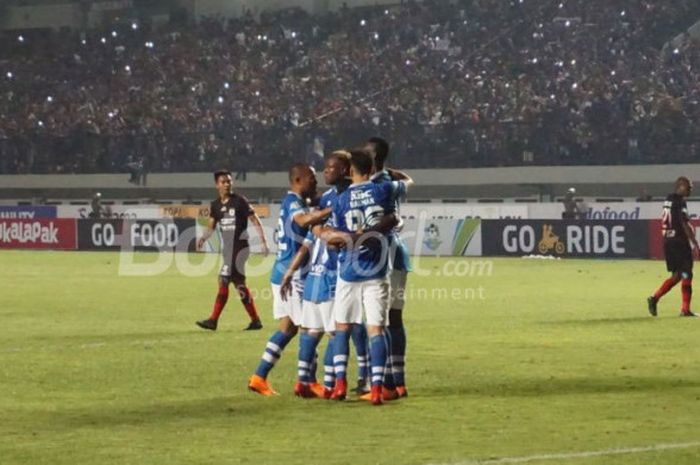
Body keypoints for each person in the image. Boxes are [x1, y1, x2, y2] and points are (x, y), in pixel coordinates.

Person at [317, 148, 413, 405]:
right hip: (376, 272)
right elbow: (406, 184)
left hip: (348, 272)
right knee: (376, 330)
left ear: (349, 171)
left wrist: (339, 239)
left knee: (342, 329)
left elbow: (335, 234)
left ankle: (339, 385)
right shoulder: (383, 190)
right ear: (371, 170)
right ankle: (378, 389)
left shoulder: (339, 199)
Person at [248, 163, 332, 396]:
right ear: (298, 180)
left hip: (282, 272)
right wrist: (330, 210)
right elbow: (304, 221)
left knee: (287, 328)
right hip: (292, 275)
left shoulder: (296, 202)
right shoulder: (293, 202)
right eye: (311, 178)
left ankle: (259, 376)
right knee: (310, 327)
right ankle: (307, 381)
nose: (315, 182)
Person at [280, 151, 352, 399]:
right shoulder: (335, 209)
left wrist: (290, 272)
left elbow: (306, 246)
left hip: (313, 279)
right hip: (331, 277)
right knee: (336, 332)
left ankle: (303, 381)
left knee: (311, 331)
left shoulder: (317, 215)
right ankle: (331, 384)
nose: (322, 175)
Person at [365, 136, 412, 398]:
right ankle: (397, 381)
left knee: (378, 321)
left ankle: (386, 384)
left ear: (373, 159)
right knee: (392, 318)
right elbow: (408, 182)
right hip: (397, 255)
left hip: (384, 257)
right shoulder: (391, 182)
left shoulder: (376, 185)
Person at [196, 169, 269, 331]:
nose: (227, 184)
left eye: (229, 181)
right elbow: (211, 226)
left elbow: (255, 220)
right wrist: (203, 238)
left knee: (223, 279)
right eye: (223, 182)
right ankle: (255, 320)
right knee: (239, 284)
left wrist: (263, 241)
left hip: (240, 248)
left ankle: (213, 320)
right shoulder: (215, 205)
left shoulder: (239, 201)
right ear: (217, 185)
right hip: (228, 250)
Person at [648, 177, 699, 317]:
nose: (690, 190)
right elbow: (684, 223)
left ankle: (654, 298)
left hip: (669, 242)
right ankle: (685, 309)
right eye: (689, 187)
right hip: (679, 243)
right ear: (681, 186)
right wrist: (695, 243)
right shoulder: (680, 202)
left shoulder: (668, 199)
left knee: (678, 275)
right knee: (687, 274)